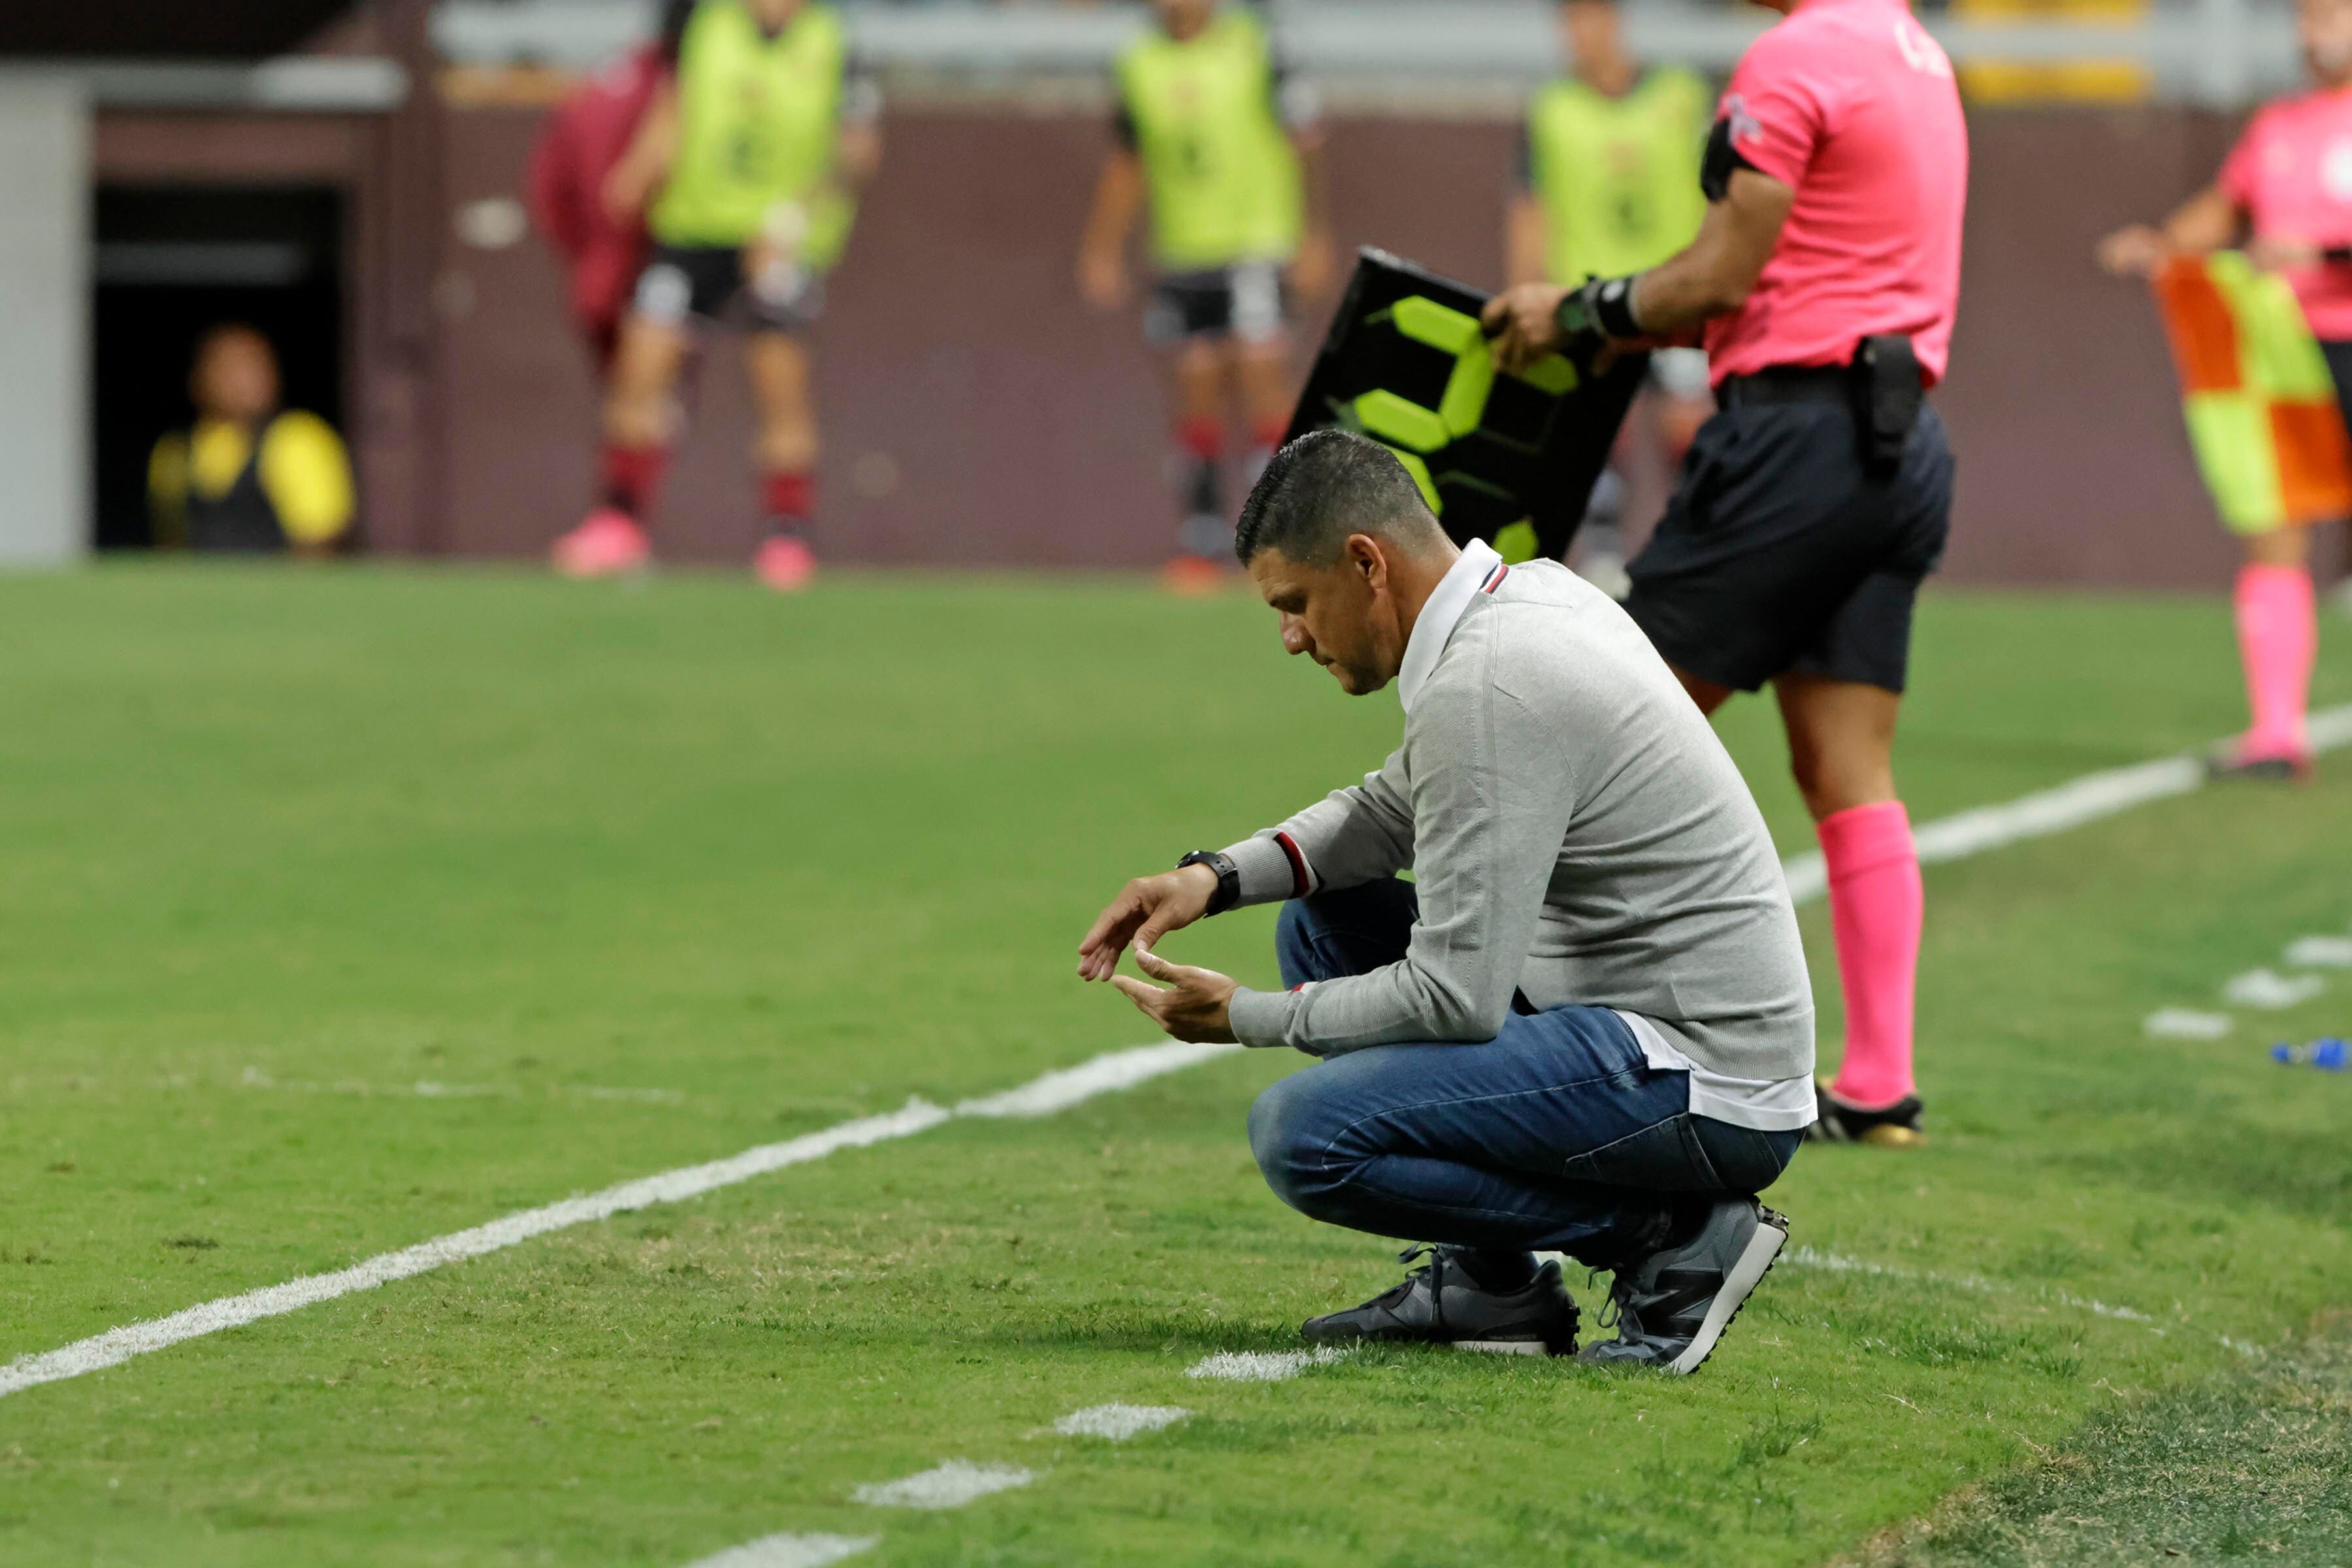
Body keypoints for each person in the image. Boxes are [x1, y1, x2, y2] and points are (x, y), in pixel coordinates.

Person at [1079, 431, 1814, 1372]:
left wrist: (1245, 1017)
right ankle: (1493, 1287)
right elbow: (1393, 808)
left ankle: (1669, 1239)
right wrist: (1213, 878)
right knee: (1325, 922)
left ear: (1365, 563)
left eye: (1296, 604)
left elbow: (1454, 998)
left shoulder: (1489, 680)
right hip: (1643, 1027)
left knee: (1306, 1137)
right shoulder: (1524, 599)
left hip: (1707, 1083)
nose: (1292, 636)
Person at [1482, 0, 1966, 1151]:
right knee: (1846, 766)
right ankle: (1880, 1087)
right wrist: (1619, 330)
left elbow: (1727, 271)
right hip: (1901, 445)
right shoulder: (1912, 50)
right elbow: (1793, 280)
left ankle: (1522, 1039)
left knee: (1593, 722)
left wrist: (1581, 309)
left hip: (1792, 443)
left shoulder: (1795, 55)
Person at [2097, 0, 2352, 781]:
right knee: (2271, 523)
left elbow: (2313, 239)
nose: (2313, 34)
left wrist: (2325, 252)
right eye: (2306, 19)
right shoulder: (2280, 126)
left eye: (2331, 16)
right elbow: (2225, 208)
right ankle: (2277, 734)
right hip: (2282, 355)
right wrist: (2164, 245)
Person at [552, 0, 883, 591]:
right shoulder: (703, 21)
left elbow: (857, 151)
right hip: (692, 229)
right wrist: (637, 171)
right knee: (641, 368)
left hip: (779, 242)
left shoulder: (834, 40)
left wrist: (794, 219)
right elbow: (672, 109)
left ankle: (787, 535)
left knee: (779, 384)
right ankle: (620, 520)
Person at [1076, 0, 1334, 593]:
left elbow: (1306, 138)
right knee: (1195, 385)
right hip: (1182, 250)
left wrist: (1315, 232)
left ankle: (1284, 533)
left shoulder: (1258, 44)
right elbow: (1129, 157)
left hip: (1257, 240)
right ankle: (1203, 538)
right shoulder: (1137, 59)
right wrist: (1103, 245)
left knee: (1261, 372)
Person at [1505, 0, 1715, 598]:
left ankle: (1694, 553)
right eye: (1570, 21)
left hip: (1672, 295)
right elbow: (1530, 205)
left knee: (1687, 423)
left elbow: (1721, 188)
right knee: (1598, 430)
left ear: (1617, 20)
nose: (1582, 34)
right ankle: (1603, 557)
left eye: (1592, 17)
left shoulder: (1681, 93)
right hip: (1589, 296)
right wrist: (1528, 293)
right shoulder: (1550, 109)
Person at [525, 0, 700, 379]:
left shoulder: (610, 77)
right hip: (650, 271)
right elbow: (622, 195)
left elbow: (549, 188)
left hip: (600, 274)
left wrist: (590, 259)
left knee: (630, 406)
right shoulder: (674, 91)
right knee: (648, 405)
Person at [148, 325, 355, 556]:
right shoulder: (174, 450)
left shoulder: (296, 438)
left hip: (277, 589)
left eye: (255, 366)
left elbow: (321, 543)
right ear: (198, 377)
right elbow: (171, 543)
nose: (243, 381)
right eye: (228, 367)